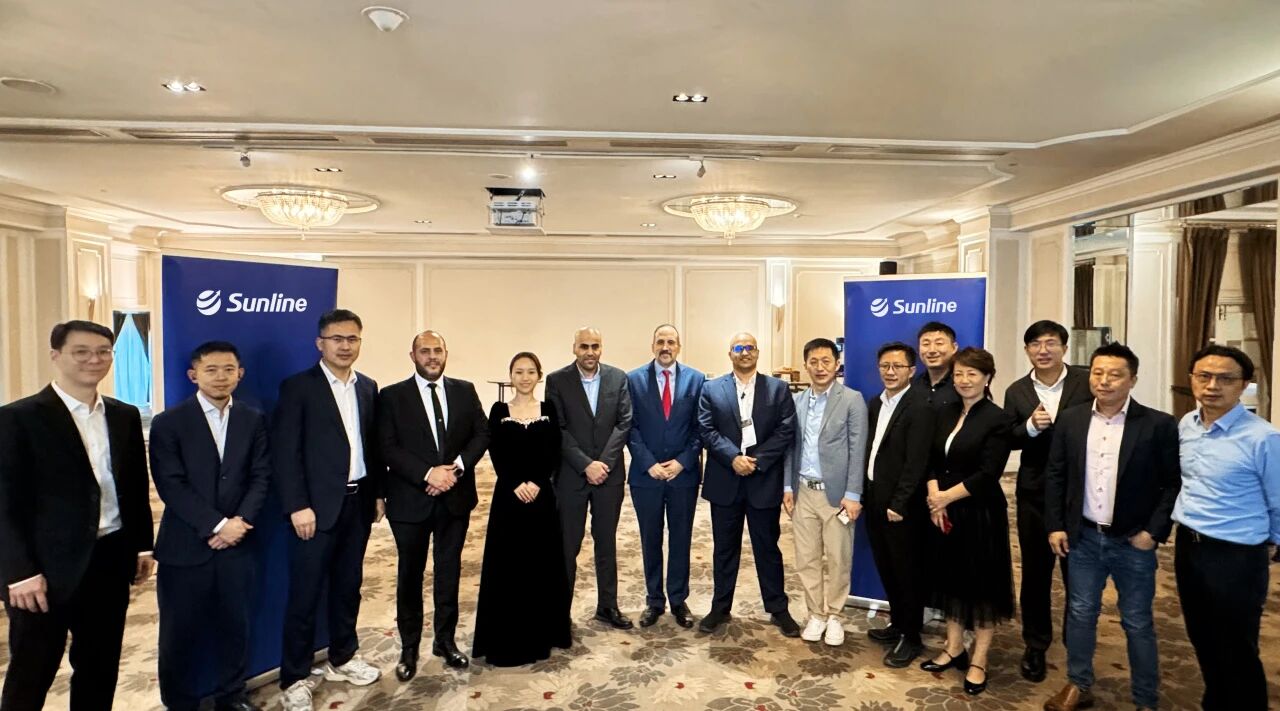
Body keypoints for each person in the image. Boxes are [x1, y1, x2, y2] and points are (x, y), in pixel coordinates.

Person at [0, 321, 155, 711]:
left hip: (109, 559)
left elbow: (134, 486)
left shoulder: (123, 415)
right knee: (32, 671)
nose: (94, 360)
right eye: (81, 351)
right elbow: (4, 501)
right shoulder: (17, 418)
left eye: (103, 351)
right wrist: (18, 571)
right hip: (43, 570)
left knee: (99, 666)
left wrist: (141, 546)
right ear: (56, 356)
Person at [1043, 343, 1180, 711]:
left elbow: (1172, 484)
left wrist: (1153, 532)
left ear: (1132, 379)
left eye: (1115, 374)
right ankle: (1078, 684)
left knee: (1137, 621)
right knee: (1080, 612)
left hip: (1133, 540)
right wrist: (1056, 525)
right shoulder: (1071, 419)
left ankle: (1145, 699)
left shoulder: (1158, 424)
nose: (1104, 381)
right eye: (1097, 373)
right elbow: (1056, 475)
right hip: (1083, 537)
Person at [149, 341, 271, 711]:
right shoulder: (169, 422)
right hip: (185, 548)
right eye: (211, 370)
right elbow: (171, 484)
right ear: (194, 375)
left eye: (229, 369)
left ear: (240, 374)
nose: (221, 377)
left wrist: (240, 522)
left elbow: (261, 476)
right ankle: (179, 703)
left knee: (235, 627)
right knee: (179, 634)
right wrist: (217, 525)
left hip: (238, 545)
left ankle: (232, 696)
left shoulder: (253, 419)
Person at [273, 309, 383, 711]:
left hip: (358, 503)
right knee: (305, 594)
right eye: (337, 339)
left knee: (348, 586)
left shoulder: (367, 387)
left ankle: (343, 655)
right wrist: (297, 505)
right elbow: (285, 452)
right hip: (314, 510)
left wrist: (378, 494)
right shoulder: (298, 387)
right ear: (320, 343)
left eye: (352, 338)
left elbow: (372, 446)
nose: (345, 346)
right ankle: (295, 676)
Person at [1173, 344, 1280, 710]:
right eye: (1204, 376)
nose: (1212, 386)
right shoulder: (1187, 425)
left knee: (1236, 645)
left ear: (1244, 384)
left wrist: (1271, 543)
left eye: (1225, 379)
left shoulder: (1263, 437)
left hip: (1236, 554)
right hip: (1189, 546)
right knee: (1201, 635)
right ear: (1192, 379)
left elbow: (1278, 499)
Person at [378, 330, 490, 679]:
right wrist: (428, 474)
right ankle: (409, 648)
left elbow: (482, 433)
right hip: (410, 501)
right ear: (412, 356)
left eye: (437, 350)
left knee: (449, 572)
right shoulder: (391, 396)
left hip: (455, 499)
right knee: (410, 576)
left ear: (446, 353)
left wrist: (456, 468)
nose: (431, 357)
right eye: (424, 351)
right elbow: (387, 446)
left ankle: (445, 641)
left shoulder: (465, 390)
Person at [919, 347, 1013, 697]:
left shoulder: (998, 418)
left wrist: (945, 497)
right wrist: (934, 496)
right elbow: (931, 459)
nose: (964, 380)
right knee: (951, 580)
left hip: (979, 512)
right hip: (944, 510)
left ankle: (979, 659)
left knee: (982, 586)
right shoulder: (946, 411)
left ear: (987, 377)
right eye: (958, 373)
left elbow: (988, 473)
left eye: (972, 374)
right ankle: (954, 647)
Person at [1002, 320, 1091, 682]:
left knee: (1078, 574)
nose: (1043, 350)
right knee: (1036, 573)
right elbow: (1008, 437)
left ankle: (1076, 644)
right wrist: (1029, 427)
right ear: (1027, 351)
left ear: (1064, 348)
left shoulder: (1086, 382)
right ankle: (1035, 644)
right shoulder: (1017, 390)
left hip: (1080, 492)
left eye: (1051, 343)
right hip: (1034, 493)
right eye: (1035, 344)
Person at [697, 332, 800, 637]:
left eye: (750, 348)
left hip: (763, 480)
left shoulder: (778, 389)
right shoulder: (711, 388)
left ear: (758, 352)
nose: (745, 352)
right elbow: (706, 429)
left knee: (767, 548)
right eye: (739, 348)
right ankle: (720, 607)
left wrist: (756, 460)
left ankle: (778, 608)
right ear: (730, 353)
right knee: (724, 549)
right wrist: (733, 457)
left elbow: (786, 430)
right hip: (725, 479)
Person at [473, 352, 572, 665]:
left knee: (540, 565)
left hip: (541, 497)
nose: (525, 377)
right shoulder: (499, 410)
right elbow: (496, 452)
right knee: (508, 566)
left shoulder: (548, 409)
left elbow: (554, 450)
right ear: (511, 376)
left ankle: (542, 633)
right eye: (519, 372)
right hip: (509, 497)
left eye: (531, 372)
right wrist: (515, 482)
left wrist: (538, 482)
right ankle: (507, 636)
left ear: (539, 376)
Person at [544, 327, 634, 629]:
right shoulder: (557, 381)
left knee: (606, 543)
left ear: (601, 348)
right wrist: (586, 465)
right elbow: (558, 428)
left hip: (609, 476)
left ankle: (608, 606)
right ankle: (559, 613)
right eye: (584, 346)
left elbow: (624, 423)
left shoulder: (618, 378)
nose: (590, 352)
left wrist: (603, 464)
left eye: (595, 346)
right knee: (567, 546)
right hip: (571, 476)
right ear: (574, 348)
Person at [782, 337, 867, 646]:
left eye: (826, 361)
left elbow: (858, 449)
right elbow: (790, 447)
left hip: (837, 496)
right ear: (806, 365)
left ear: (836, 364)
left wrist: (853, 494)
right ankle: (816, 614)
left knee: (838, 558)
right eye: (814, 362)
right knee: (806, 558)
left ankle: (835, 616)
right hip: (803, 490)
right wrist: (787, 486)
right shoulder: (796, 401)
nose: (820, 367)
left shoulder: (852, 400)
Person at [626, 325, 705, 629]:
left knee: (681, 538)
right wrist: (649, 464)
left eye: (671, 342)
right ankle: (654, 600)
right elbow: (629, 427)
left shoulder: (696, 380)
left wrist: (682, 462)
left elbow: (701, 428)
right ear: (652, 345)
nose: (665, 347)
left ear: (679, 346)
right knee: (651, 538)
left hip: (682, 477)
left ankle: (678, 600)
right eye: (660, 341)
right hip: (646, 477)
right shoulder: (633, 380)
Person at [864, 342, 935, 668]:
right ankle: (898, 624)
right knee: (887, 567)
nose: (890, 372)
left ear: (911, 370)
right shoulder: (876, 403)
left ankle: (912, 636)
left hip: (900, 506)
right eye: (884, 366)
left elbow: (917, 462)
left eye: (897, 366)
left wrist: (900, 502)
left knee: (907, 572)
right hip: (875, 499)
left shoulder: (920, 406)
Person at [913, 321, 960, 409]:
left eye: (939, 343)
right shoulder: (913, 386)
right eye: (926, 344)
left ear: (954, 348)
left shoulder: (963, 384)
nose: (932, 350)